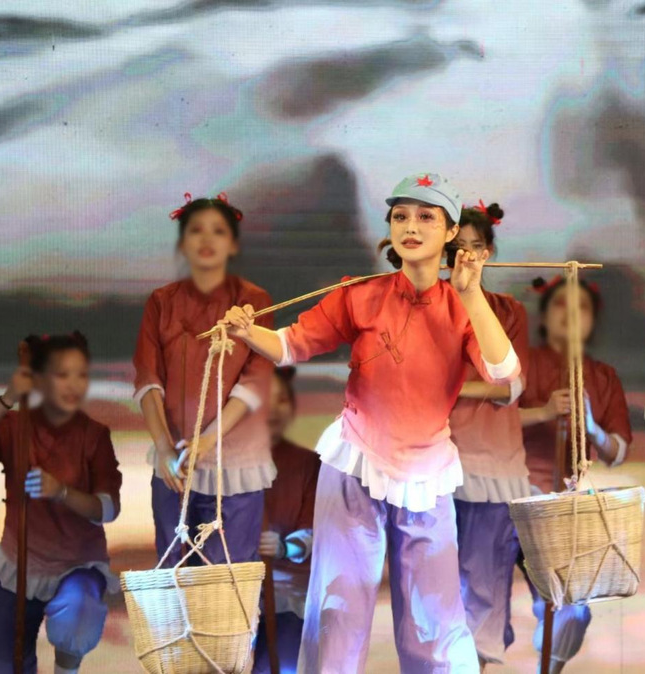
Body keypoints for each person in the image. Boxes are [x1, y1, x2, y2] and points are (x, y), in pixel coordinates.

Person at [221, 173, 521, 673]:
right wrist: (250, 332)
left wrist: (471, 295)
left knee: (435, 619)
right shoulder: (360, 295)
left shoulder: (465, 305)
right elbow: (292, 344)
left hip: (427, 475)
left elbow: (504, 374)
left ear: (451, 232)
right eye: (401, 216)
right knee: (339, 607)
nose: (411, 226)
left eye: (426, 217)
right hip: (356, 463)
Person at [133, 193, 274, 566]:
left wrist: (207, 441)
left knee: (226, 574)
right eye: (196, 230)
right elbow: (147, 378)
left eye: (218, 231)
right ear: (182, 242)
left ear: (233, 243)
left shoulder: (255, 301)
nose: (207, 239)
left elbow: (255, 381)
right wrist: (165, 449)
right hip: (175, 462)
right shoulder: (161, 302)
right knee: (172, 569)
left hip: (235, 460)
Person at [519, 275, 633, 673]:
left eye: (580, 307)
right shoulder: (521, 364)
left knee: (572, 609)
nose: (570, 314)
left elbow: (618, 452)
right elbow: (489, 424)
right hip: (509, 497)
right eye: (560, 304)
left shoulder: (603, 377)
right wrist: (543, 413)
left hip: (568, 508)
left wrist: (592, 428)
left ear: (593, 319)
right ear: (544, 316)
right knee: (479, 599)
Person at [0, 333, 122, 674]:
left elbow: (108, 509)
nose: (73, 384)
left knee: (78, 612)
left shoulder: (94, 435)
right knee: (4, 661)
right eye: (62, 375)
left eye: (81, 374)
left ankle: (66, 669)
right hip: (19, 563)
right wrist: (8, 397)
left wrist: (61, 492)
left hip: (77, 565)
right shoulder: (15, 428)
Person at [447, 202, 531, 670]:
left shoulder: (507, 311)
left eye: (475, 247)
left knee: (484, 581)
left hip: (492, 466)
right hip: (431, 462)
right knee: (434, 583)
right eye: (457, 248)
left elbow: (511, 386)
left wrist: (450, 386)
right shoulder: (427, 303)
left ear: (489, 253)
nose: (466, 256)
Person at [253, 366, 319, 674]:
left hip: (288, 596)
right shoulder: (224, 465)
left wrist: (284, 548)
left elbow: (314, 531)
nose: (273, 409)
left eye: (280, 400)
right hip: (236, 598)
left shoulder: (307, 464)